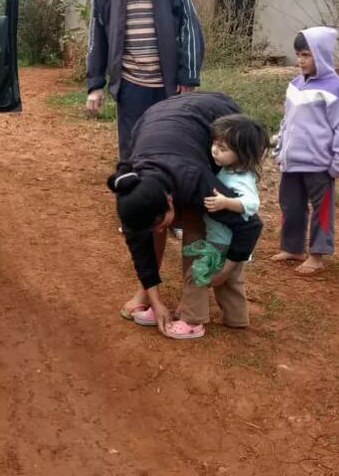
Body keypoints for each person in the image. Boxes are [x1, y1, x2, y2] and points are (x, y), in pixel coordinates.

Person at [108, 93, 263, 337]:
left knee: (197, 217)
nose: (161, 231)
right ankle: (149, 295)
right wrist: (155, 301)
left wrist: (227, 269)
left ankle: (192, 310)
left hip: (214, 114)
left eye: (163, 223)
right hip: (158, 120)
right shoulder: (130, 191)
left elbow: (250, 225)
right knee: (147, 231)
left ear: (170, 199)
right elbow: (140, 246)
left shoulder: (196, 180)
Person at [85, 0, 205, 161]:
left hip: (168, 84)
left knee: (168, 144)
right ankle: (134, 196)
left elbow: (188, 23)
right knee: (131, 149)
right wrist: (96, 84)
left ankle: (164, 195)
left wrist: (189, 75)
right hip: (130, 85)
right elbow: (96, 33)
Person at [160, 114, 269, 339]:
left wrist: (226, 202)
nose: (215, 151)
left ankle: (192, 321)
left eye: (223, 148)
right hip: (230, 243)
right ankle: (236, 319)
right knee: (230, 283)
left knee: (196, 275)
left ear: (242, 153)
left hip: (221, 242)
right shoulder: (232, 170)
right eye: (214, 144)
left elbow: (252, 204)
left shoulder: (240, 179)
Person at [272, 27, 339, 276]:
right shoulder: (295, 85)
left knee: (323, 208)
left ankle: (317, 255)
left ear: (321, 54)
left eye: (306, 55)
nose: (300, 60)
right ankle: (293, 247)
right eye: (298, 55)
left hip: (320, 164)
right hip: (292, 161)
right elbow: (286, 121)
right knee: (291, 206)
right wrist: (280, 149)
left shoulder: (337, 89)